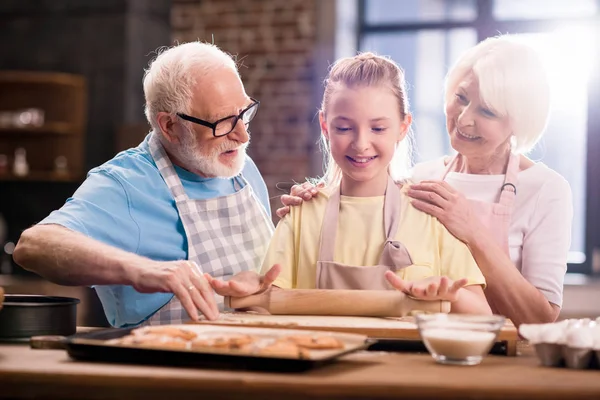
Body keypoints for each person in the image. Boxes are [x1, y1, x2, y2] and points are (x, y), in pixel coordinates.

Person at [278, 35, 573, 326]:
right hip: (440, 342)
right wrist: (313, 198)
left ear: (519, 121)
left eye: (487, 111)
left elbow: (541, 318)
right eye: (461, 97)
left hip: (511, 355)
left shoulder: (546, 189)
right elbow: (362, 192)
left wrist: (472, 231)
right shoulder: (422, 178)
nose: (464, 119)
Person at [12, 42, 275, 327]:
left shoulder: (240, 168)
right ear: (169, 127)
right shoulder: (126, 183)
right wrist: (141, 270)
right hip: (169, 367)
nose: (243, 136)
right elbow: (32, 247)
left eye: (244, 113)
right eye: (222, 123)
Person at [207, 52, 492, 315]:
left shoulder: (430, 214)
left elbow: (482, 314)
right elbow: (266, 311)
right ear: (325, 126)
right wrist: (247, 295)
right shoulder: (302, 215)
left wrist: (445, 293)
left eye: (378, 128)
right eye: (344, 128)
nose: (361, 144)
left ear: (403, 127)